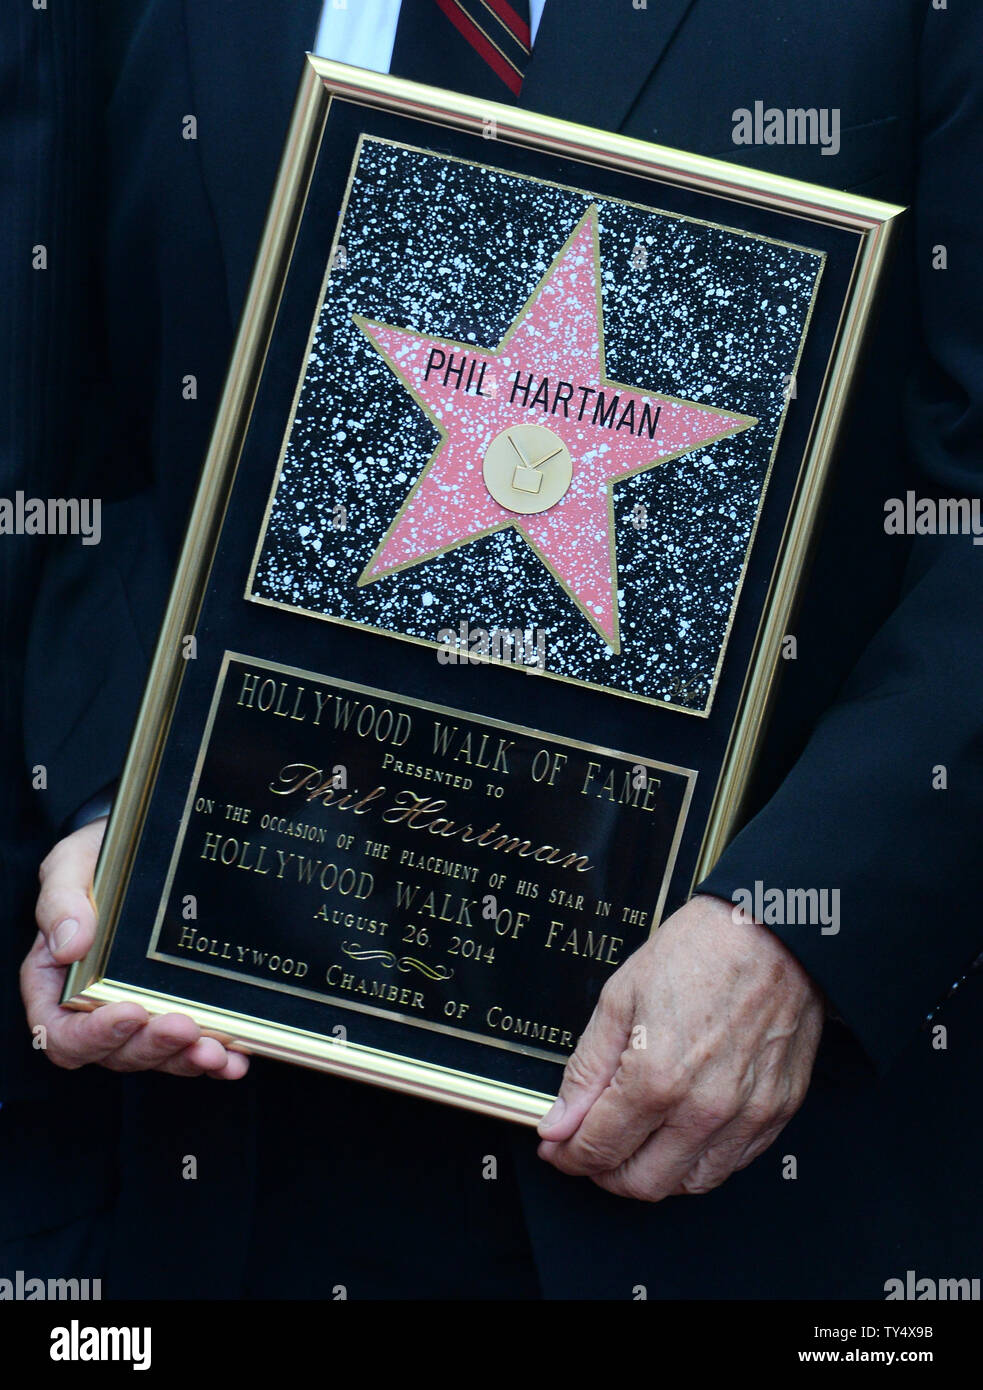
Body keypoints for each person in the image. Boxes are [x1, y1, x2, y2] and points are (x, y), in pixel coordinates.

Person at [6, 0, 982, 1299]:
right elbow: (64, 425)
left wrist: (805, 925)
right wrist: (114, 795)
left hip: (724, 1178)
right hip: (217, 1153)